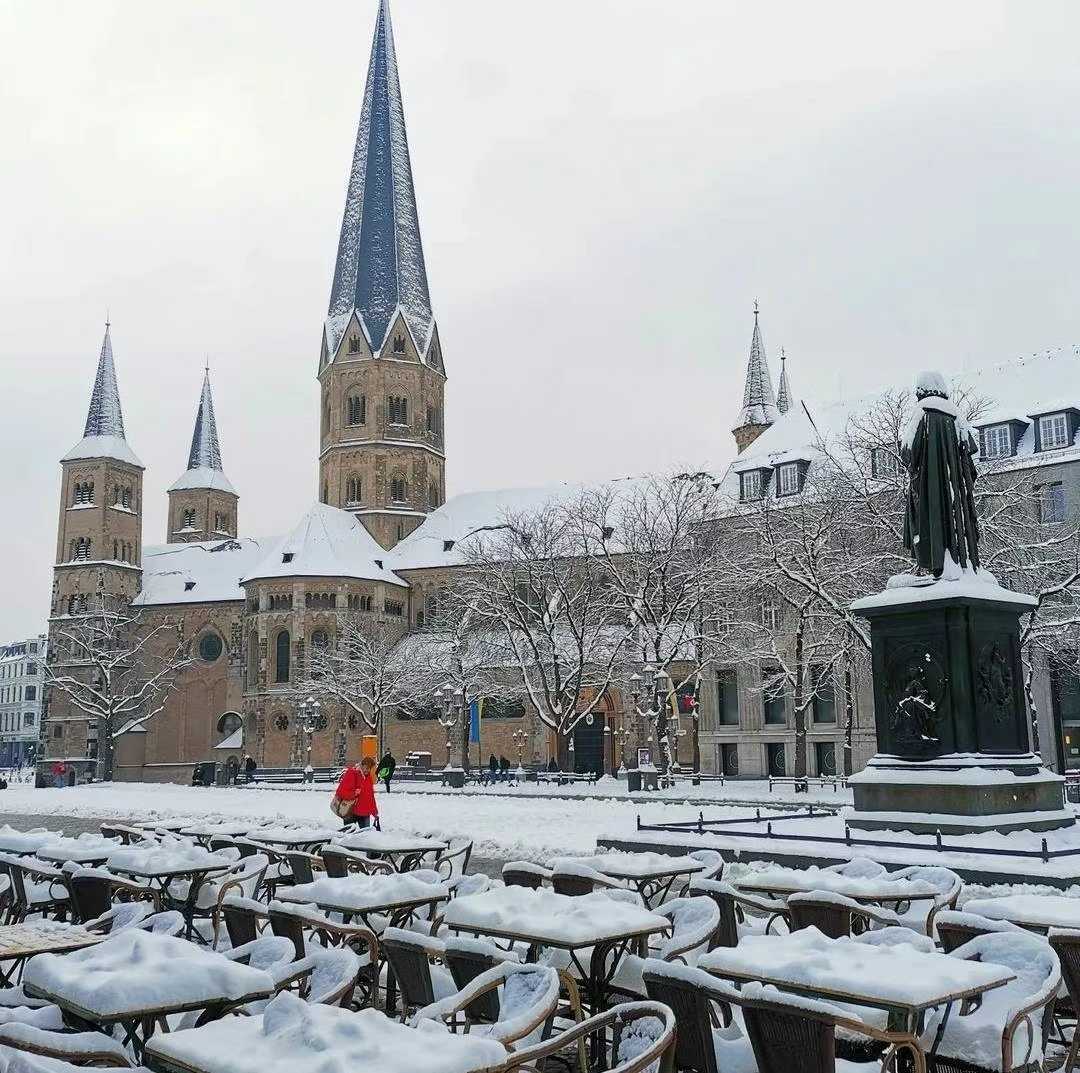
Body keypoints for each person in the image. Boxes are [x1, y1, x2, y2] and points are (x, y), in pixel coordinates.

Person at [334, 756, 379, 830]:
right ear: (361, 765)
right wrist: (354, 794)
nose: (367, 770)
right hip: (350, 812)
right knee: (349, 835)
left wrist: (374, 812)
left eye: (369, 768)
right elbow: (340, 792)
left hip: (364, 813)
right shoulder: (352, 773)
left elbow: (370, 797)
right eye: (366, 767)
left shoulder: (368, 778)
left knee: (366, 835)